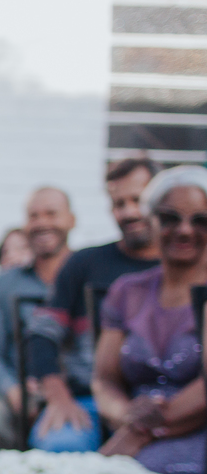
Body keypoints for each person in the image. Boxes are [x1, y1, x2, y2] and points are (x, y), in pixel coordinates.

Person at [27, 158, 160, 450]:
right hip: (86, 399)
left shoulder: (183, 269)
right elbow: (42, 333)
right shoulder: (84, 263)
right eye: (118, 203)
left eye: (137, 200)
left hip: (163, 404)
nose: (129, 212)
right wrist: (57, 395)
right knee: (59, 447)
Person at [93, 165, 207, 474]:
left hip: (195, 431)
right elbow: (104, 379)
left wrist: (143, 430)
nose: (185, 230)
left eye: (201, 220)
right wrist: (126, 414)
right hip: (132, 427)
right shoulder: (128, 291)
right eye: (170, 217)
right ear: (151, 220)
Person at [0, 188, 74, 457]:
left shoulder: (85, 275)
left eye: (51, 214)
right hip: (16, 391)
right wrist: (14, 391)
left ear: (71, 219)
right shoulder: (4, 284)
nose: (43, 222)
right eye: (34, 216)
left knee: (66, 441)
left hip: (75, 393)